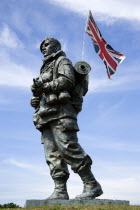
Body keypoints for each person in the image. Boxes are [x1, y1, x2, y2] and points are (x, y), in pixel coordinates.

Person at [30, 37, 103, 200]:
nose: (43, 48)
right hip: (45, 114)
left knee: (68, 148)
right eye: (41, 46)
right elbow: (43, 91)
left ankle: (91, 184)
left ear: (56, 45)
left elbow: (67, 81)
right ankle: (60, 190)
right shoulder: (45, 67)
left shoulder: (62, 61)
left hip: (61, 112)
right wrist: (36, 98)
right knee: (52, 155)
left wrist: (45, 86)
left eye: (46, 45)